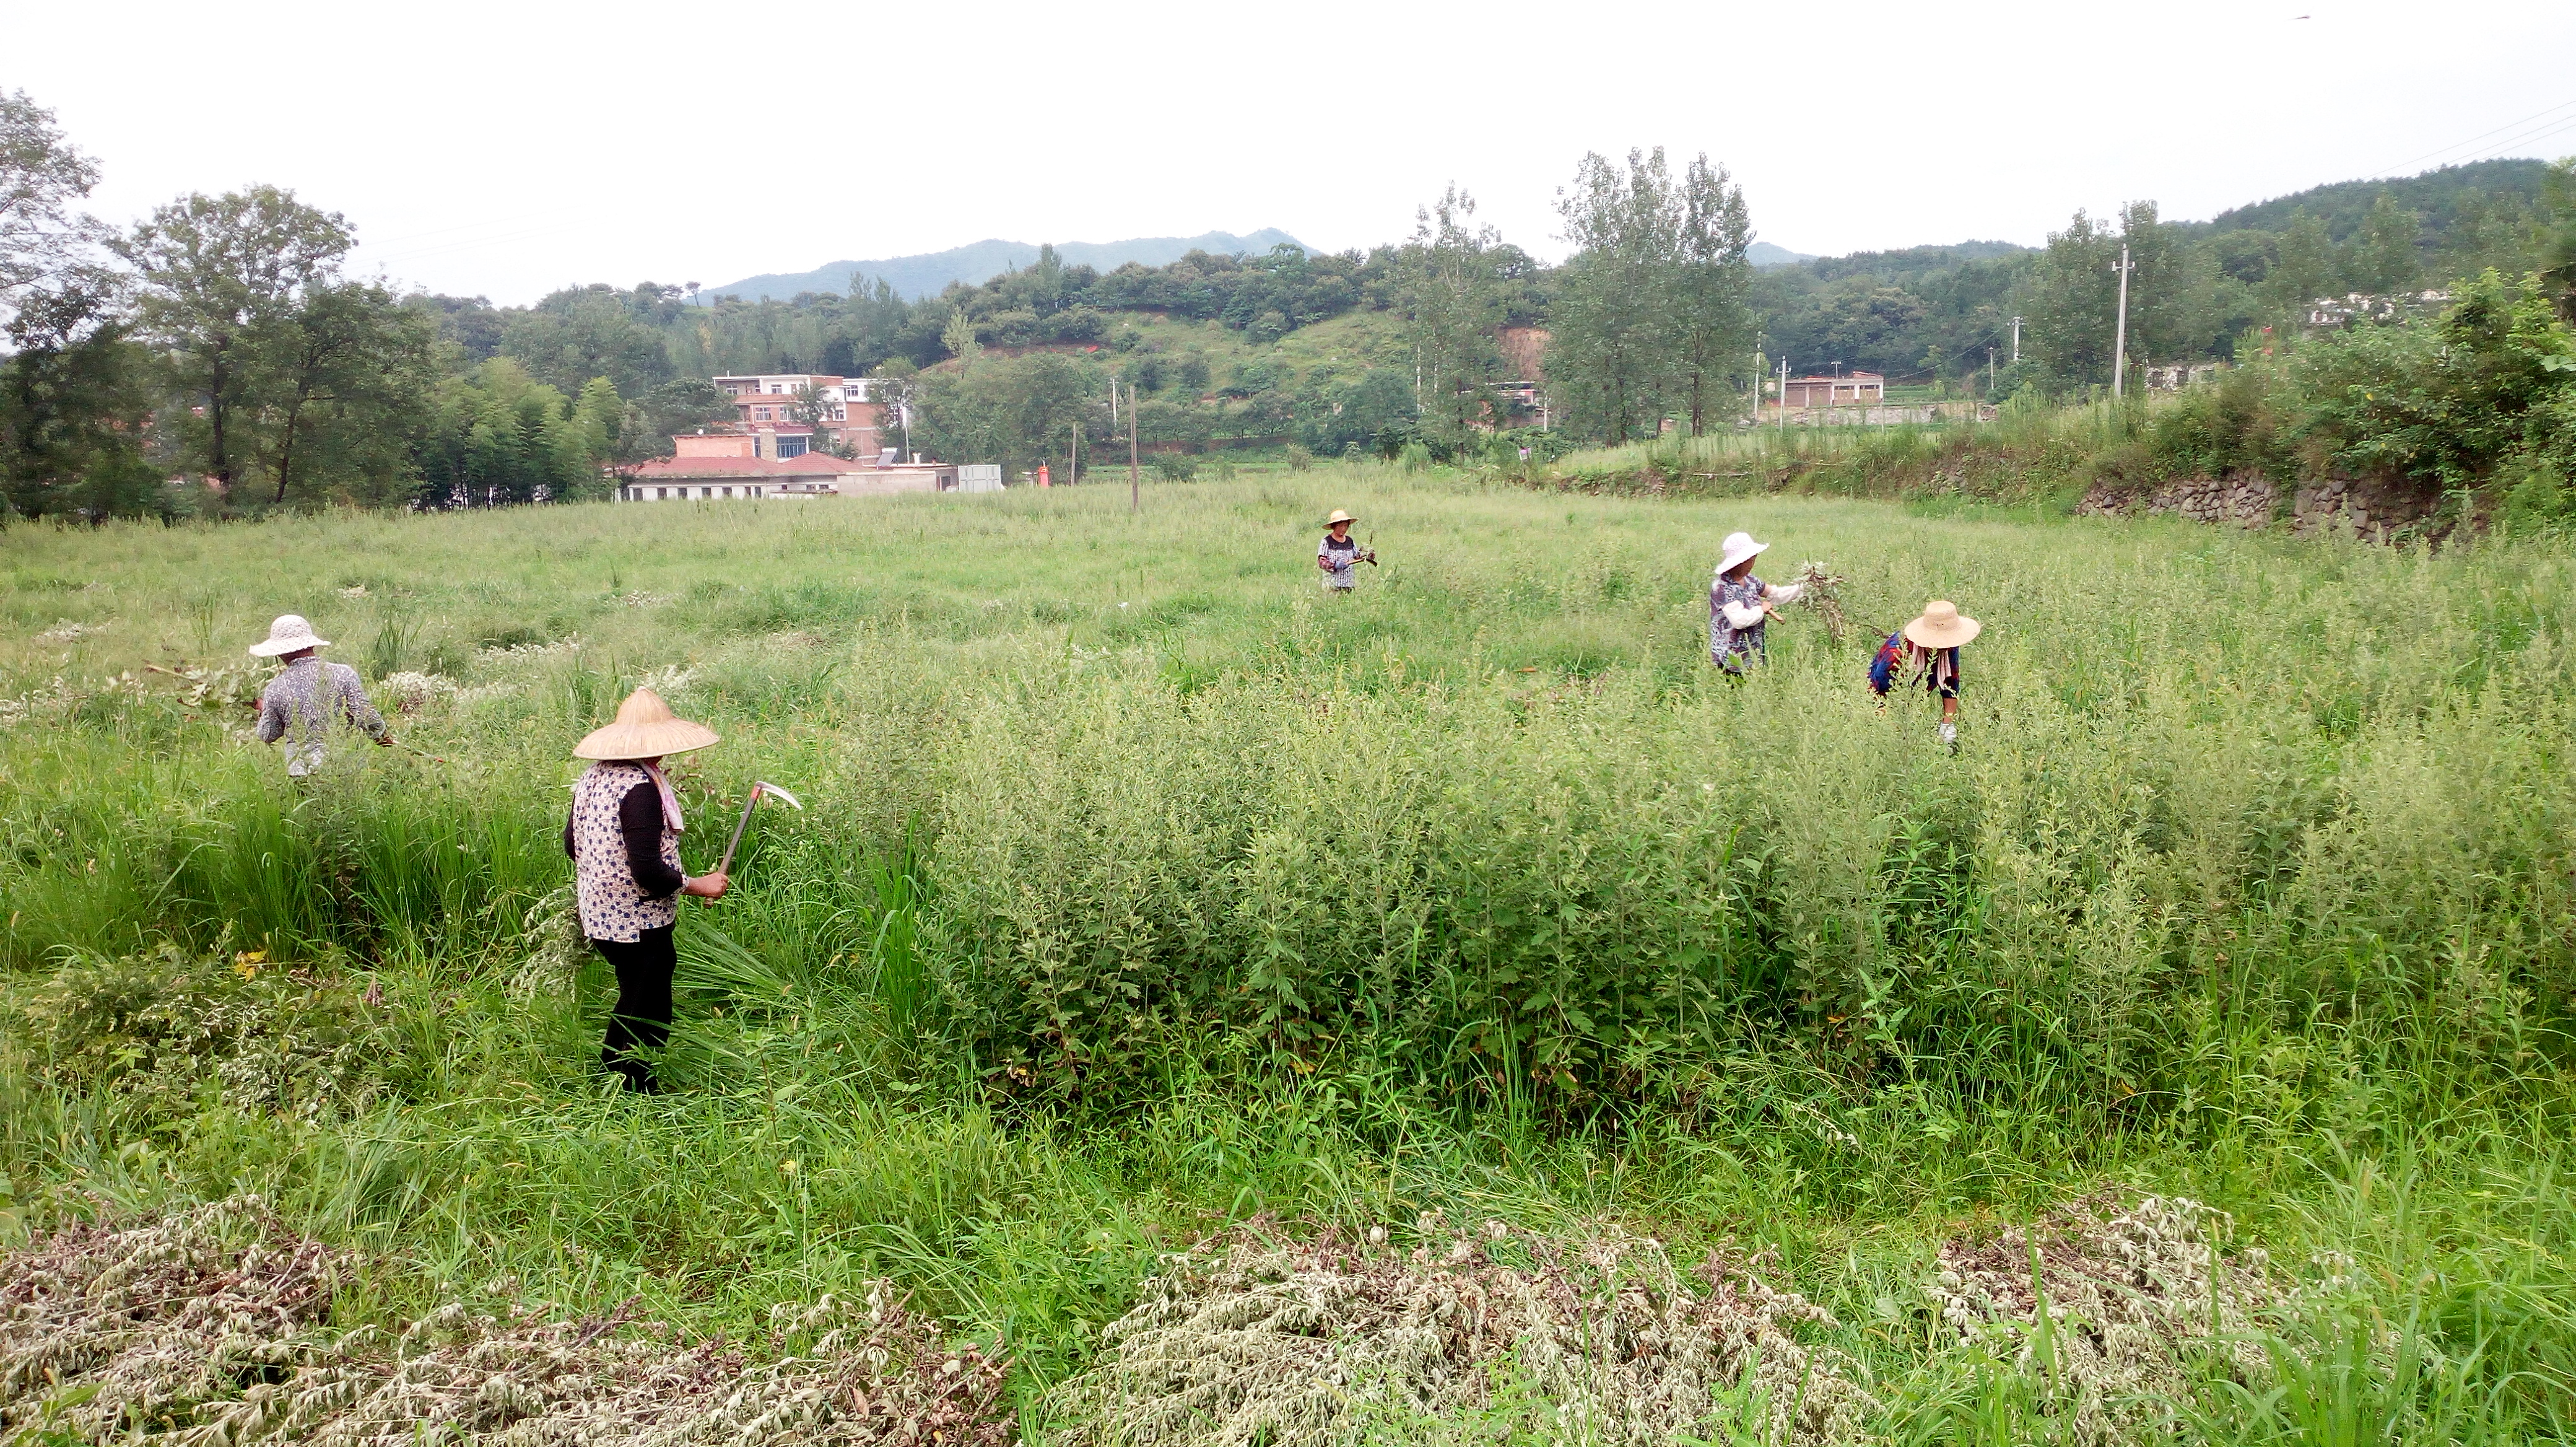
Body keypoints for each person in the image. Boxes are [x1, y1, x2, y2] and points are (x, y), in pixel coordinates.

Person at [564, 687, 729, 1093]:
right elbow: (649, 871)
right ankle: (635, 1090)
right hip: (638, 921)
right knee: (648, 1006)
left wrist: (604, 875)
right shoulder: (640, 790)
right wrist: (696, 884)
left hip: (600, 914)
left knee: (635, 994)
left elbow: (572, 844)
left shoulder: (593, 777)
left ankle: (616, 1079)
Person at [249, 614, 391, 776]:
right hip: (344, 767)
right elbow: (367, 717)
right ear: (311, 646)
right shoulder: (344, 674)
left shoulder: (275, 689)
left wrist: (265, 710)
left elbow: (267, 735)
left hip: (303, 772)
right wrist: (383, 738)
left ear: (279, 654)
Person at [1869, 600, 1981, 745]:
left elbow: (1951, 683)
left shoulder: (1949, 646)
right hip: (1884, 700)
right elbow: (1878, 693)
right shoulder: (1897, 653)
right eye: (1937, 644)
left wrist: (1947, 724)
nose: (1942, 648)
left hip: (1916, 697)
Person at [1707, 531, 1801, 673]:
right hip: (1730, 658)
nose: (1752, 563)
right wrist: (1761, 609)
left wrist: (1803, 589)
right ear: (1740, 562)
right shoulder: (1722, 588)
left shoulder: (1750, 580)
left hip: (1752, 653)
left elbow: (1776, 594)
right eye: (1750, 559)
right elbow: (1740, 620)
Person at [1317, 509, 1375, 592]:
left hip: (1348, 584)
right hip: (1332, 585)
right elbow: (1322, 562)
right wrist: (1335, 566)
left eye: (1345, 526)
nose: (1343, 528)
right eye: (1340, 526)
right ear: (1334, 526)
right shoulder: (1327, 541)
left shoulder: (1349, 541)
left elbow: (1357, 556)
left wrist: (1368, 555)